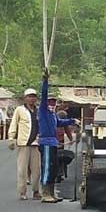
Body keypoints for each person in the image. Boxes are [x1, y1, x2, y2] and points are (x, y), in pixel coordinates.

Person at [38, 75, 78, 203]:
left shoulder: (53, 115)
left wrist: (73, 121)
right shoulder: (43, 112)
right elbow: (43, 95)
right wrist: (45, 81)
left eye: (54, 102)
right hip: (46, 143)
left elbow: (60, 123)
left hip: (54, 143)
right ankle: (45, 193)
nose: (52, 104)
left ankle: (51, 192)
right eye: (50, 102)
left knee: (54, 168)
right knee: (47, 168)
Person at [8, 88, 41, 200]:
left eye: (33, 96)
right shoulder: (20, 110)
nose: (31, 99)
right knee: (22, 169)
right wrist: (11, 137)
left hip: (36, 143)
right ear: (25, 98)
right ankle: (22, 192)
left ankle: (36, 191)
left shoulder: (39, 111)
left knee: (36, 170)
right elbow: (14, 124)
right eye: (29, 96)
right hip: (23, 143)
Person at [55, 110, 76, 183]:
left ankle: (61, 173)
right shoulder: (53, 123)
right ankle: (58, 173)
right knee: (57, 159)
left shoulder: (64, 125)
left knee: (61, 159)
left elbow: (68, 132)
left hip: (61, 144)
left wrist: (71, 140)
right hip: (54, 144)